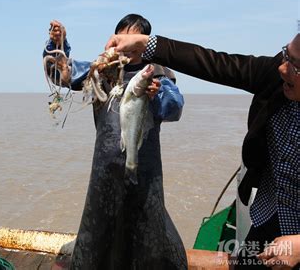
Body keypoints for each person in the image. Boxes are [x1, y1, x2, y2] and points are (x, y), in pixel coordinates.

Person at [105, 32, 300, 269]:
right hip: (269, 214)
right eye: (285, 55)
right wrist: (146, 44)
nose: (282, 68)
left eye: (295, 67)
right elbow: (215, 63)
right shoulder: (276, 76)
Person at [43, 15, 187, 269]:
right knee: (100, 231)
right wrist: (58, 44)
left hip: (146, 173)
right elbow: (61, 73)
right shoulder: (101, 70)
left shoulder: (157, 75)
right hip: (104, 173)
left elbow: (174, 109)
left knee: (146, 228)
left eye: (132, 40)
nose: (125, 46)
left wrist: (157, 93)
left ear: (143, 43)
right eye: (121, 38)